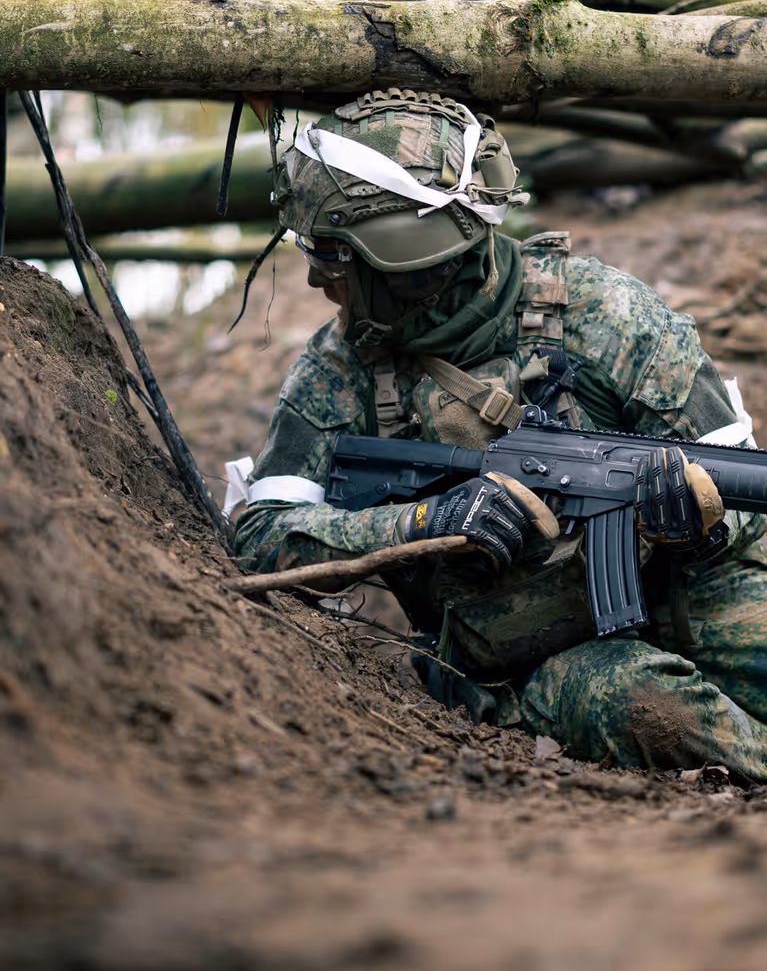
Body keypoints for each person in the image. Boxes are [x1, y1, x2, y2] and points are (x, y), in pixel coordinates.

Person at [233, 87, 767, 781]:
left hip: (696, 594)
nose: (315, 279)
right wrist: (424, 522)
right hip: (528, 659)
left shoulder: (607, 316)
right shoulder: (341, 369)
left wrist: (703, 524)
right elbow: (261, 534)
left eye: (333, 255)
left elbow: (740, 482)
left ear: (404, 262)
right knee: (645, 705)